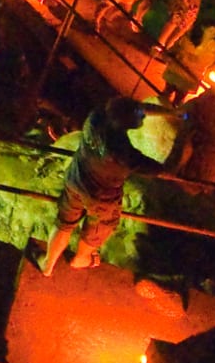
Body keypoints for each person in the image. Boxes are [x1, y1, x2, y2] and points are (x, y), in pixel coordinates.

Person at [39, 98, 167, 274]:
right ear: (127, 122)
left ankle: (48, 263)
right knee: (100, 227)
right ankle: (81, 259)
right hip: (101, 198)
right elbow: (164, 169)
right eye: (139, 116)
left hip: (77, 179)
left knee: (65, 222)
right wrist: (184, 139)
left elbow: (133, 109)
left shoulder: (97, 117)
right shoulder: (124, 155)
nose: (143, 117)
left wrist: (171, 113)